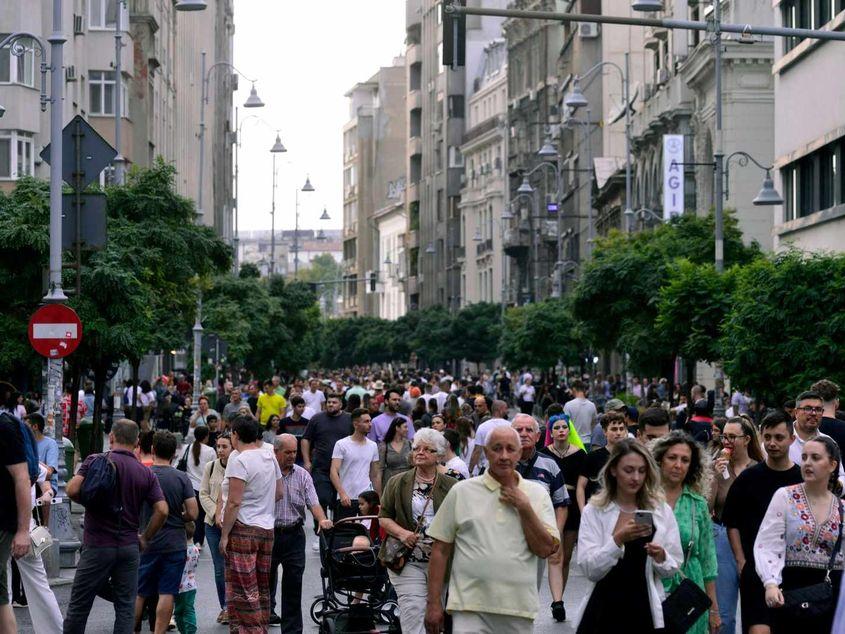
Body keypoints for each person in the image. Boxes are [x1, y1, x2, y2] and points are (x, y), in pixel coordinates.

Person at [424, 426, 558, 633]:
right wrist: (433, 603)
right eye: (497, 448)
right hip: (469, 607)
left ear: (519, 453)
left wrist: (524, 508)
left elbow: (545, 549)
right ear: (486, 453)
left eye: (510, 449)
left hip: (518, 609)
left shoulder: (537, 494)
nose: (504, 456)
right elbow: (440, 550)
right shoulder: (462, 491)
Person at [64, 419, 168, 634]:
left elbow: (72, 490)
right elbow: (162, 510)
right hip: (129, 547)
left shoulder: (95, 461)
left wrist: (91, 502)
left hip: (97, 545)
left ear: (111, 437)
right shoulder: (145, 473)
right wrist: (145, 537)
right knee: (125, 607)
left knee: (79, 605)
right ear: (137, 441)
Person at [575, 439, 683, 632]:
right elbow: (590, 569)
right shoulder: (595, 510)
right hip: (602, 610)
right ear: (614, 470)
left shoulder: (660, 510)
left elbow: (673, 567)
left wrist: (661, 556)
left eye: (642, 471)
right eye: (629, 470)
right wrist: (617, 540)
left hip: (644, 609)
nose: (636, 477)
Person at [722, 410, 803, 634]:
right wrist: (741, 561)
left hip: (793, 570)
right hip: (754, 568)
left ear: (791, 439)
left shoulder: (801, 479)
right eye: (767, 437)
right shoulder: (748, 478)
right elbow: (732, 522)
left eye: (778, 437)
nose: (772, 443)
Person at [755, 436, 844, 633]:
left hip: (832, 594)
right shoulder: (785, 496)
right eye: (804, 458)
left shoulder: (842, 508)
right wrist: (770, 583)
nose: (807, 463)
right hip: (792, 592)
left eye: (815, 457)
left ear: (832, 465)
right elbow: (767, 543)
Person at [379, 428, 457, 634]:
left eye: (427, 449)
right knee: (413, 610)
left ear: (439, 455)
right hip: (407, 560)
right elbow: (384, 516)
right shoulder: (397, 482)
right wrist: (402, 533)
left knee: (434, 617)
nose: (420, 452)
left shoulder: (452, 485)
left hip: (440, 562)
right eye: (416, 448)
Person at [219, 415, 283, 631]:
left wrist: (225, 534)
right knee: (261, 585)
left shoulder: (238, 459)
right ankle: (258, 627)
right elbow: (279, 492)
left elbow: (234, 502)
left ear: (235, 435)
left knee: (243, 588)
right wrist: (261, 504)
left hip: (243, 528)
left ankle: (250, 630)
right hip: (266, 528)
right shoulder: (268, 456)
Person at [653, 431, 720, 634]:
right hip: (653, 586)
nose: (678, 465)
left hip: (689, 588)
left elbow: (707, 561)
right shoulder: (645, 500)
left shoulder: (697, 504)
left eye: (685, 460)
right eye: (672, 458)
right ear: (659, 460)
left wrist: (714, 610)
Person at [135, 431, 198, 634]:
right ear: (174, 453)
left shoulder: (143, 475)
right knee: (167, 591)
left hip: (147, 541)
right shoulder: (181, 478)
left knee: (140, 591)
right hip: (174, 544)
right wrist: (178, 516)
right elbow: (193, 512)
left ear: (152, 450)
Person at [269, 434, 333, 630]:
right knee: (265, 584)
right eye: (287, 452)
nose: (291, 455)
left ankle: (292, 630)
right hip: (269, 535)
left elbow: (314, 502)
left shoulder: (302, 474)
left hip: (294, 535)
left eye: (294, 452)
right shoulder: (266, 473)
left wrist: (322, 519)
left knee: (293, 585)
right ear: (275, 452)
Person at [511, 413, 570, 620]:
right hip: (507, 537)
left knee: (529, 590)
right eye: (519, 430)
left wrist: (556, 532)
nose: (524, 434)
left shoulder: (549, 464)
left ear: (538, 436)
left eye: (529, 430)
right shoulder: (501, 463)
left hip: (538, 536)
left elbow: (561, 503)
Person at [541, 412, 587, 623]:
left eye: (564, 427)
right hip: (549, 505)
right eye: (557, 428)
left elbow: (582, 486)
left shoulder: (579, 455)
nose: (561, 431)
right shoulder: (544, 454)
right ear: (551, 431)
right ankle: (556, 600)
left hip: (571, 508)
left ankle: (559, 598)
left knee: (565, 556)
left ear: (569, 430)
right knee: (552, 555)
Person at [302, 393, 352, 545]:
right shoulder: (317, 419)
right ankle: (320, 533)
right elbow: (306, 439)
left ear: (341, 405)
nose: (330, 405)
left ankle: (337, 535)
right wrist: (306, 461)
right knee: (321, 498)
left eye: (334, 402)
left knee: (340, 503)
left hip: (343, 470)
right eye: (329, 402)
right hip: (321, 468)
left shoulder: (349, 419)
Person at [199, 432, 232, 625]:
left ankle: (236, 605)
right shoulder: (210, 467)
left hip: (234, 523)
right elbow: (203, 494)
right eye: (218, 446)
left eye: (224, 446)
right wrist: (215, 514)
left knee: (234, 566)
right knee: (220, 568)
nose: (220, 450)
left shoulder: (238, 466)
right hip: (212, 525)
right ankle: (225, 607)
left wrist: (226, 516)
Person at [330, 408, 381, 522]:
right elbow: (334, 471)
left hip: (367, 498)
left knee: (367, 536)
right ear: (356, 424)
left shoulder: (373, 445)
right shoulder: (341, 444)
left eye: (370, 421)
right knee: (346, 534)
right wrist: (342, 493)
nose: (370, 424)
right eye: (366, 421)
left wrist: (379, 499)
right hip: (346, 498)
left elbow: (375, 475)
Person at [576, 411, 628, 511]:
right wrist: (583, 511)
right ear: (605, 431)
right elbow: (581, 486)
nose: (618, 433)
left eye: (621, 429)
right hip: (598, 510)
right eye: (614, 429)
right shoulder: (593, 457)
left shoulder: (630, 456)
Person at [182, 425, 215, 547]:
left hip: (188, 487)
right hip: (203, 488)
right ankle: (198, 541)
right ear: (206, 436)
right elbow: (213, 470)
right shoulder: (210, 451)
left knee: (189, 515)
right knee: (201, 517)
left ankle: (188, 538)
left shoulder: (187, 447)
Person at [174, 522, 200, 634]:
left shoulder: (179, 549)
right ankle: (186, 630)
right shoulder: (195, 549)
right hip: (191, 585)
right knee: (187, 609)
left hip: (179, 585)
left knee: (180, 611)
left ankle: (188, 630)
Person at [380, 415, 413, 485]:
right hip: (390, 483)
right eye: (405, 427)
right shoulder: (385, 445)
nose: (407, 430)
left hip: (407, 482)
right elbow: (380, 469)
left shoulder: (409, 444)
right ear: (397, 428)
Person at [564, 380, 597, 449]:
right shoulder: (592, 405)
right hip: (588, 442)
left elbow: (565, 425)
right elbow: (594, 425)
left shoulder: (568, 405)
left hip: (573, 443)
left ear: (574, 389)